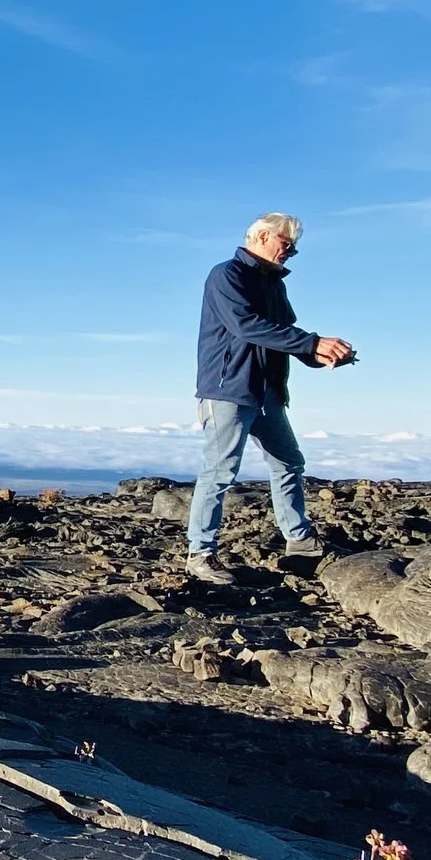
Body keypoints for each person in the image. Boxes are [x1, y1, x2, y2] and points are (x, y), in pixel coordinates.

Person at [184, 212, 353, 584]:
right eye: (286, 244)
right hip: (229, 389)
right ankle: (200, 553)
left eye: (293, 248)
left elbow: (282, 333)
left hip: (267, 392)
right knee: (220, 470)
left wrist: (316, 356)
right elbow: (247, 326)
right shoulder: (226, 275)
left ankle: (300, 541)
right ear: (261, 236)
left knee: (288, 462)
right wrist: (312, 343)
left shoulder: (275, 284)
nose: (290, 253)